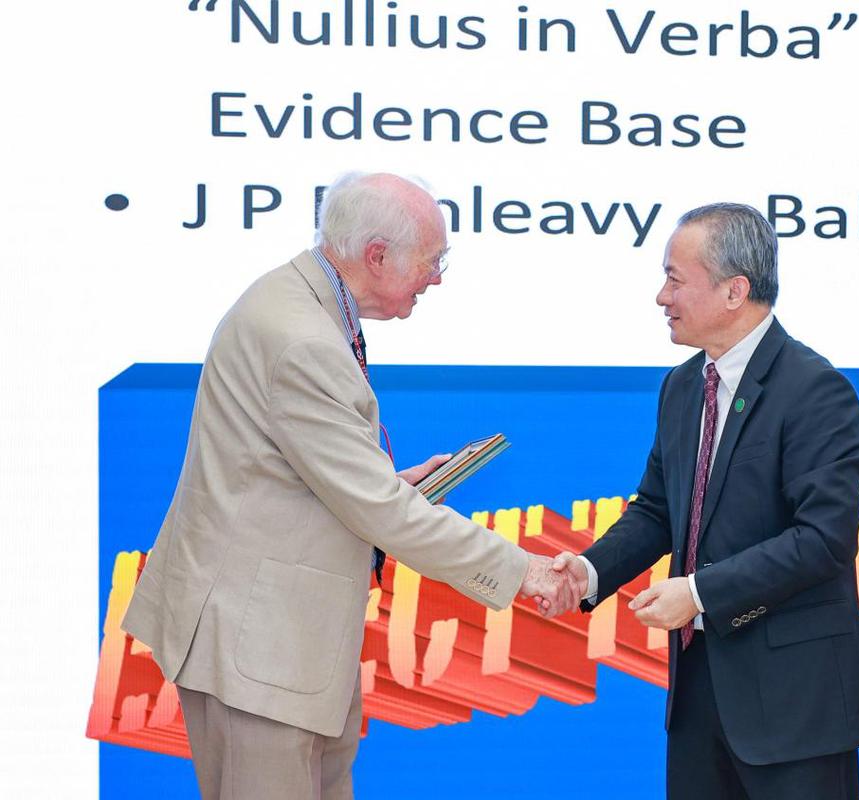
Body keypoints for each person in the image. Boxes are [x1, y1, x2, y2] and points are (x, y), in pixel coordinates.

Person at [121, 172, 577, 799]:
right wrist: (524, 570)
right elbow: (380, 510)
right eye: (433, 260)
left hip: (286, 645)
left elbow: (298, 471)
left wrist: (381, 482)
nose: (437, 278)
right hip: (259, 650)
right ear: (377, 256)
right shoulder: (302, 337)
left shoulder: (300, 304)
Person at [549, 203, 859, 799]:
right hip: (699, 696)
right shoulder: (682, 386)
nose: (661, 297)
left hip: (795, 706)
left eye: (675, 280)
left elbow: (823, 540)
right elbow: (658, 510)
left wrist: (699, 592)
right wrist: (589, 571)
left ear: (735, 291)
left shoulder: (815, 390)